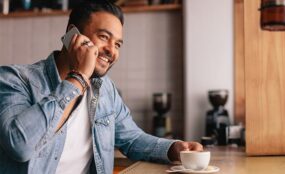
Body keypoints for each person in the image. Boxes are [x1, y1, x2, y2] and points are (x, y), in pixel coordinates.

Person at [0, 1, 203, 174]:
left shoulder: (106, 90)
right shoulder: (14, 79)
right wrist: (78, 78)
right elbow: (20, 145)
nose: (111, 51)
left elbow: (132, 139)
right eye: (104, 37)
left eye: (118, 44)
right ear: (73, 35)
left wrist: (174, 149)